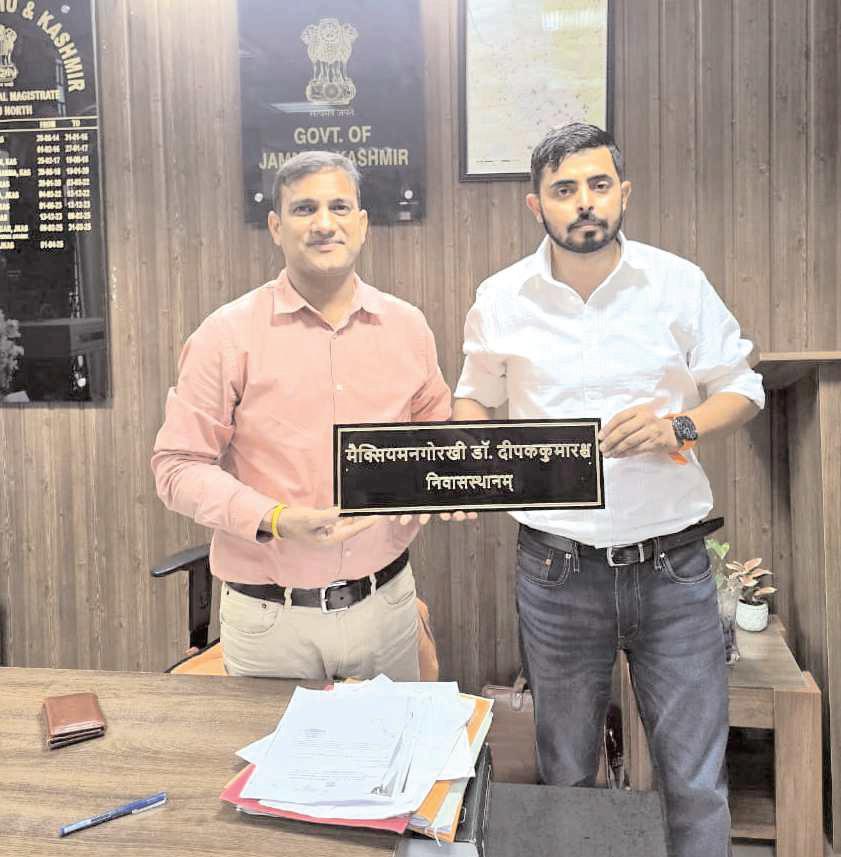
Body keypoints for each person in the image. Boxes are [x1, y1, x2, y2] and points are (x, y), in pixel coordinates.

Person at [452, 123, 764, 857]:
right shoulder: (500, 296)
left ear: (622, 192)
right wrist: (471, 459)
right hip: (556, 571)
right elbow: (472, 398)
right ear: (537, 206)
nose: (582, 202)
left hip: (675, 569)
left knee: (693, 778)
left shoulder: (677, 280)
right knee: (567, 774)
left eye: (597, 185)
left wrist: (678, 426)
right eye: (564, 190)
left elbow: (741, 387)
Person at [152, 151, 450, 681]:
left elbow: (437, 441)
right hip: (271, 620)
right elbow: (176, 467)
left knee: (393, 762)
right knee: (270, 768)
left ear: (362, 224)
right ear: (275, 226)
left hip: (388, 607)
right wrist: (276, 520)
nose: (323, 223)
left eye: (339, 207)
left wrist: (441, 492)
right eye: (304, 208)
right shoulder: (226, 336)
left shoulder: (408, 328)